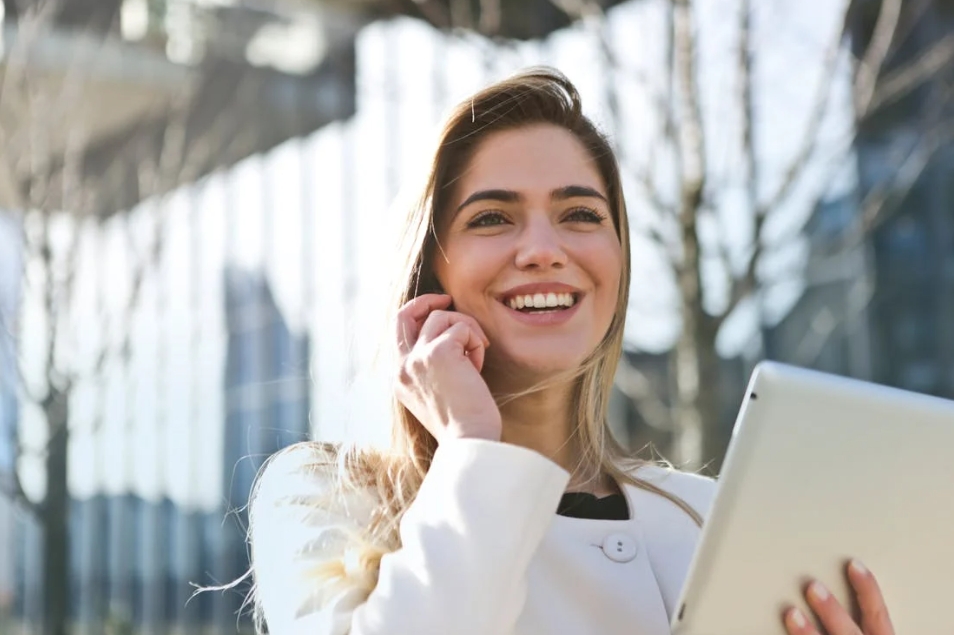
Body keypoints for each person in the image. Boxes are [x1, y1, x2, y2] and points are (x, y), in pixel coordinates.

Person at [247, 68, 895, 635]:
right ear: (430, 272)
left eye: (581, 214)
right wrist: (474, 445)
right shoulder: (320, 498)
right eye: (493, 217)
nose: (543, 248)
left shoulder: (710, 517)